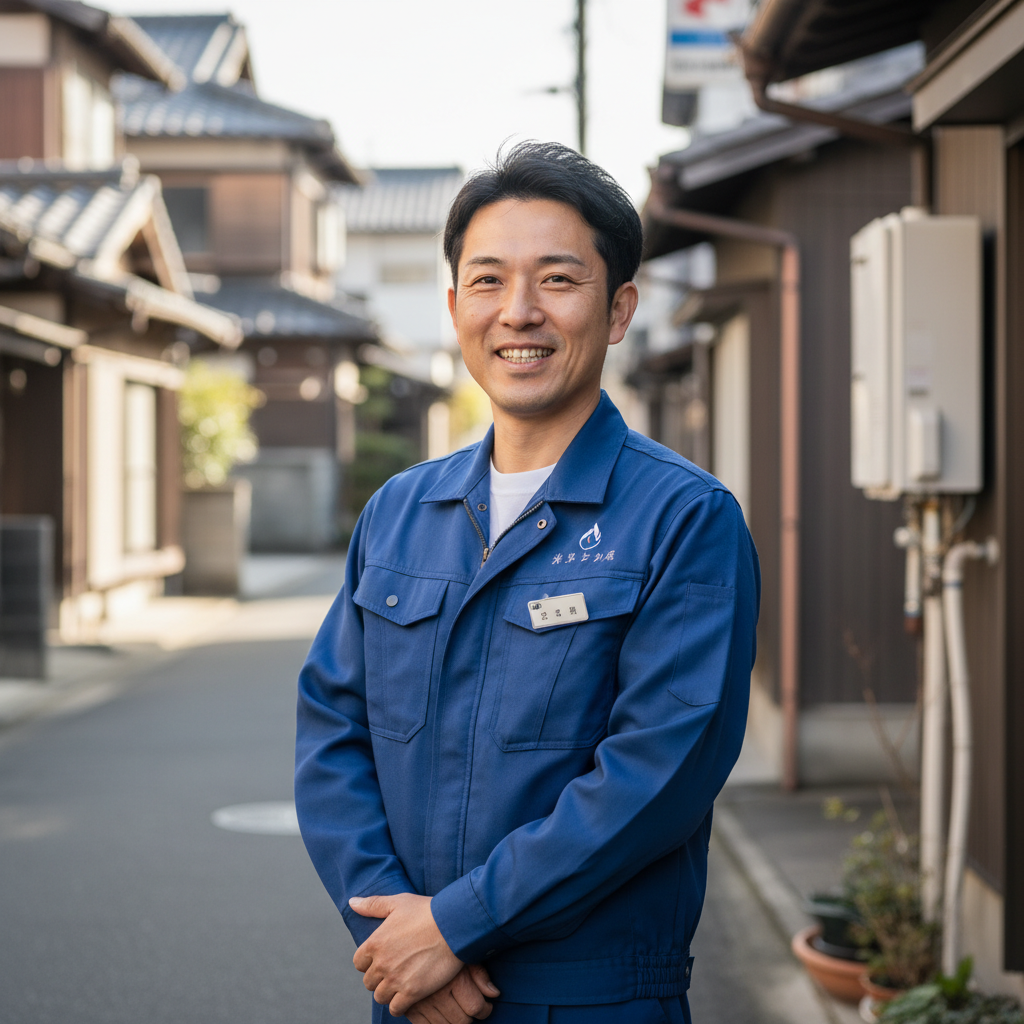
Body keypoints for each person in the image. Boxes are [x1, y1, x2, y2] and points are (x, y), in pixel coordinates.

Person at [295, 141, 760, 1024]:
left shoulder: (684, 519)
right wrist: (400, 931)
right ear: (453, 305)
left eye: (557, 280)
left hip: (593, 998)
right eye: (487, 281)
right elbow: (332, 730)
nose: (518, 312)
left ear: (619, 308)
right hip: (411, 985)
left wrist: (456, 929)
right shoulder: (399, 512)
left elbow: (657, 775)